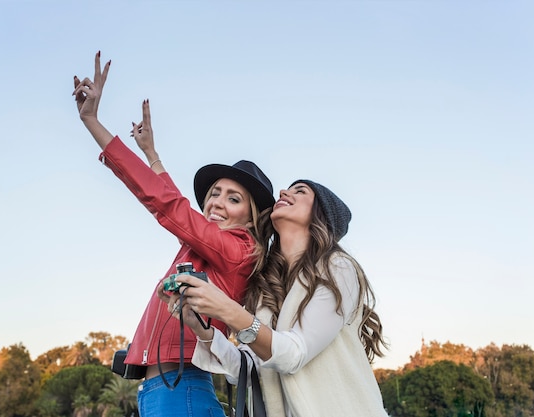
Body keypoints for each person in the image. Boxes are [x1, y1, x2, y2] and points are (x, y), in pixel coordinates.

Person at [72, 51, 275, 417]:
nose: (216, 203)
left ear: (252, 218)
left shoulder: (238, 250)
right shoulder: (202, 248)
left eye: (233, 199)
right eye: (214, 194)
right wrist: (151, 154)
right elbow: (175, 205)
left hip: (181, 391)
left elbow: (169, 206)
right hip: (161, 391)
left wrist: (93, 124)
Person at [170, 180, 389, 416]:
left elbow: (294, 354)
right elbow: (247, 369)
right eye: (287, 189)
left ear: (322, 214)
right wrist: (200, 326)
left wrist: (227, 309)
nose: (284, 192)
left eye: (300, 191)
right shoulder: (266, 288)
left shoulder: (338, 267)